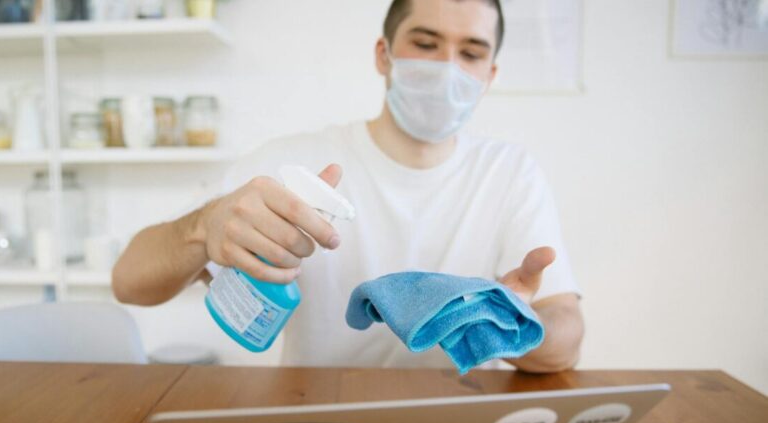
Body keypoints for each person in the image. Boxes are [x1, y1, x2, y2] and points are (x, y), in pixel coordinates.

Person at [112, 0, 584, 373]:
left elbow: (566, 343)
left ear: (490, 75)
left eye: (471, 53)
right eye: (425, 43)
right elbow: (128, 281)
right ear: (384, 55)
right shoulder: (291, 164)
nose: (447, 68)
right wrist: (202, 227)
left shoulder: (509, 173)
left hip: (456, 422)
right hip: (315, 418)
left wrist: (503, 322)